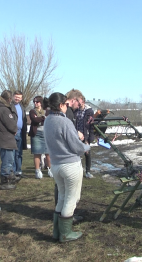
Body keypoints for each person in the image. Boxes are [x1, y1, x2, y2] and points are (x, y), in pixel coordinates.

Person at [44, 92, 90, 243]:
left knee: (62, 197)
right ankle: (66, 234)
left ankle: (57, 232)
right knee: (71, 199)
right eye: (65, 104)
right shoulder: (65, 122)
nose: (67, 106)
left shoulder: (47, 120)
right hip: (70, 165)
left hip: (56, 165)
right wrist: (85, 146)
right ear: (60, 106)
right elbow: (75, 146)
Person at [0, 90, 19, 190]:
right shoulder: (4, 110)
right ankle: (6, 181)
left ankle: (11, 176)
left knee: (6, 159)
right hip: (5, 139)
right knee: (8, 160)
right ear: (9, 99)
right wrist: (15, 129)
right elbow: (11, 124)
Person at [28, 96, 53, 179]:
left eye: (37, 102)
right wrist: (42, 118)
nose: (35, 103)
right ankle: (37, 170)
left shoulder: (47, 111)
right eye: (34, 102)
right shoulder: (32, 111)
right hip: (36, 134)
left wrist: (40, 118)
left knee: (48, 152)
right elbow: (34, 120)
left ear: (41, 103)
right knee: (37, 153)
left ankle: (50, 169)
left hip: (46, 133)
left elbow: (48, 119)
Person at [74, 95, 95, 179]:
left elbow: (91, 126)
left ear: (82, 101)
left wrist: (89, 138)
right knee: (76, 153)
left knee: (87, 153)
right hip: (76, 134)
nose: (77, 102)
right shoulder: (75, 110)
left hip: (85, 135)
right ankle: (77, 171)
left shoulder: (89, 111)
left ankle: (88, 172)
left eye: (78, 100)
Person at [12, 90, 27, 176]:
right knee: (13, 153)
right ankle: (13, 172)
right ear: (13, 96)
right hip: (13, 133)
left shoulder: (22, 107)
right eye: (16, 97)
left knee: (19, 153)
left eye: (19, 97)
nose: (17, 99)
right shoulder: (10, 106)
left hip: (21, 133)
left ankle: (19, 171)